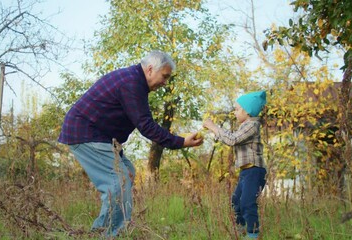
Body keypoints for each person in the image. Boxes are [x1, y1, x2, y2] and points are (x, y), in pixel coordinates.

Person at [58, 50, 203, 237]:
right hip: (86, 133)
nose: (165, 82)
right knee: (119, 181)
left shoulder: (134, 81)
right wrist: (181, 142)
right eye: (164, 76)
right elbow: (146, 125)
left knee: (128, 173)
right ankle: (110, 235)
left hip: (97, 135)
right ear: (151, 69)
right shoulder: (132, 83)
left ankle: (99, 232)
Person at [203, 90, 267, 239]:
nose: (235, 112)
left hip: (255, 171)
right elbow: (231, 139)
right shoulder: (244, 126)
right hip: (246, 171)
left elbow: (232, 140)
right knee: (236, 201)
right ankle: (240, 227)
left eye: (237, 109)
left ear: (247, 111)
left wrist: (214, 127)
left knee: (247, 202)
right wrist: (213, 132)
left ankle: (253, 233)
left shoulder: (252, 125)